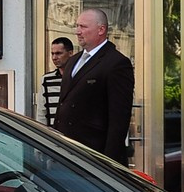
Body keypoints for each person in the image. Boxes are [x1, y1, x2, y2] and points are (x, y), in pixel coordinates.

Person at [52, 8, 134, 164]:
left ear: (101, 29)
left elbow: (119, 118)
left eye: (83, 27)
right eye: (77, 26)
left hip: (94, 155)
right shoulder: (73, 61)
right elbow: (62, 106)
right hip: (66, 153)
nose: (77, 31)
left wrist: (108, 162)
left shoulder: (116, 63)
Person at [39, 36, 75, 125]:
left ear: (70, 53)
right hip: (53, 133)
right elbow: (41, 113)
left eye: (59, 53)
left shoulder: (80, 77)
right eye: (52, 53)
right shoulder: (46, 79)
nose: (54, 57)